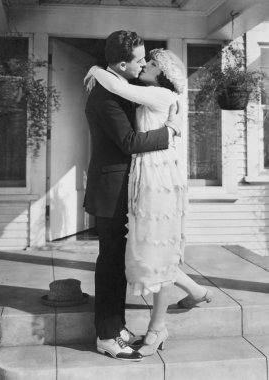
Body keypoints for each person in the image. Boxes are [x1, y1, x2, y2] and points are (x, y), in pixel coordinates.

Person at [85, 47, 213, 357]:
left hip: (158, 174)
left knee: (156, 244)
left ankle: (158, 327)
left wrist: (95, 70)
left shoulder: (160, 95)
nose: (146, 65)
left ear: (164, 74)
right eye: (146, 60)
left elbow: (118, 86)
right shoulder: (149, 93)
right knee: (150, 246)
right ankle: (196, 292)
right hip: (147, 172)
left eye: (153, 63)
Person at [83, 31, 179, 362]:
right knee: (109, 263)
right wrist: (170, 132)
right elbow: (127, 142)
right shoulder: (104, 96)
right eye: (139, 59)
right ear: (122, 63)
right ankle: (107, 336)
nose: (142, 64)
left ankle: (118, 327)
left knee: (117, 260)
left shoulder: (117, 85)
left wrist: (96, 69)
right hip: (110, 189)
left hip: (124, 187)